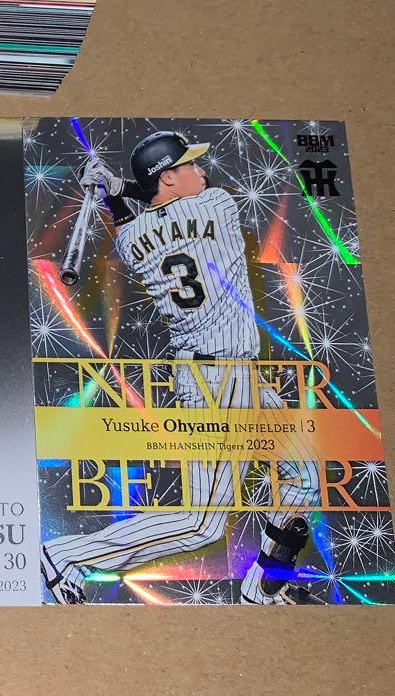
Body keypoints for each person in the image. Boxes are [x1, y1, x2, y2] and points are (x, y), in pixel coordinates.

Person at [39, 131, 320, 606]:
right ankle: (65, 555)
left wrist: (112, 191)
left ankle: (265, 584)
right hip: (219, 381)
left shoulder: (132, 240)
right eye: (189, 165)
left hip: (223, 375)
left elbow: (138, 215)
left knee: (304, 476)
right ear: (167, 177)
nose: (201, 171)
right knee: (201, 523)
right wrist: (117, 188)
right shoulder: (218, 206)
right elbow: (149, 202)